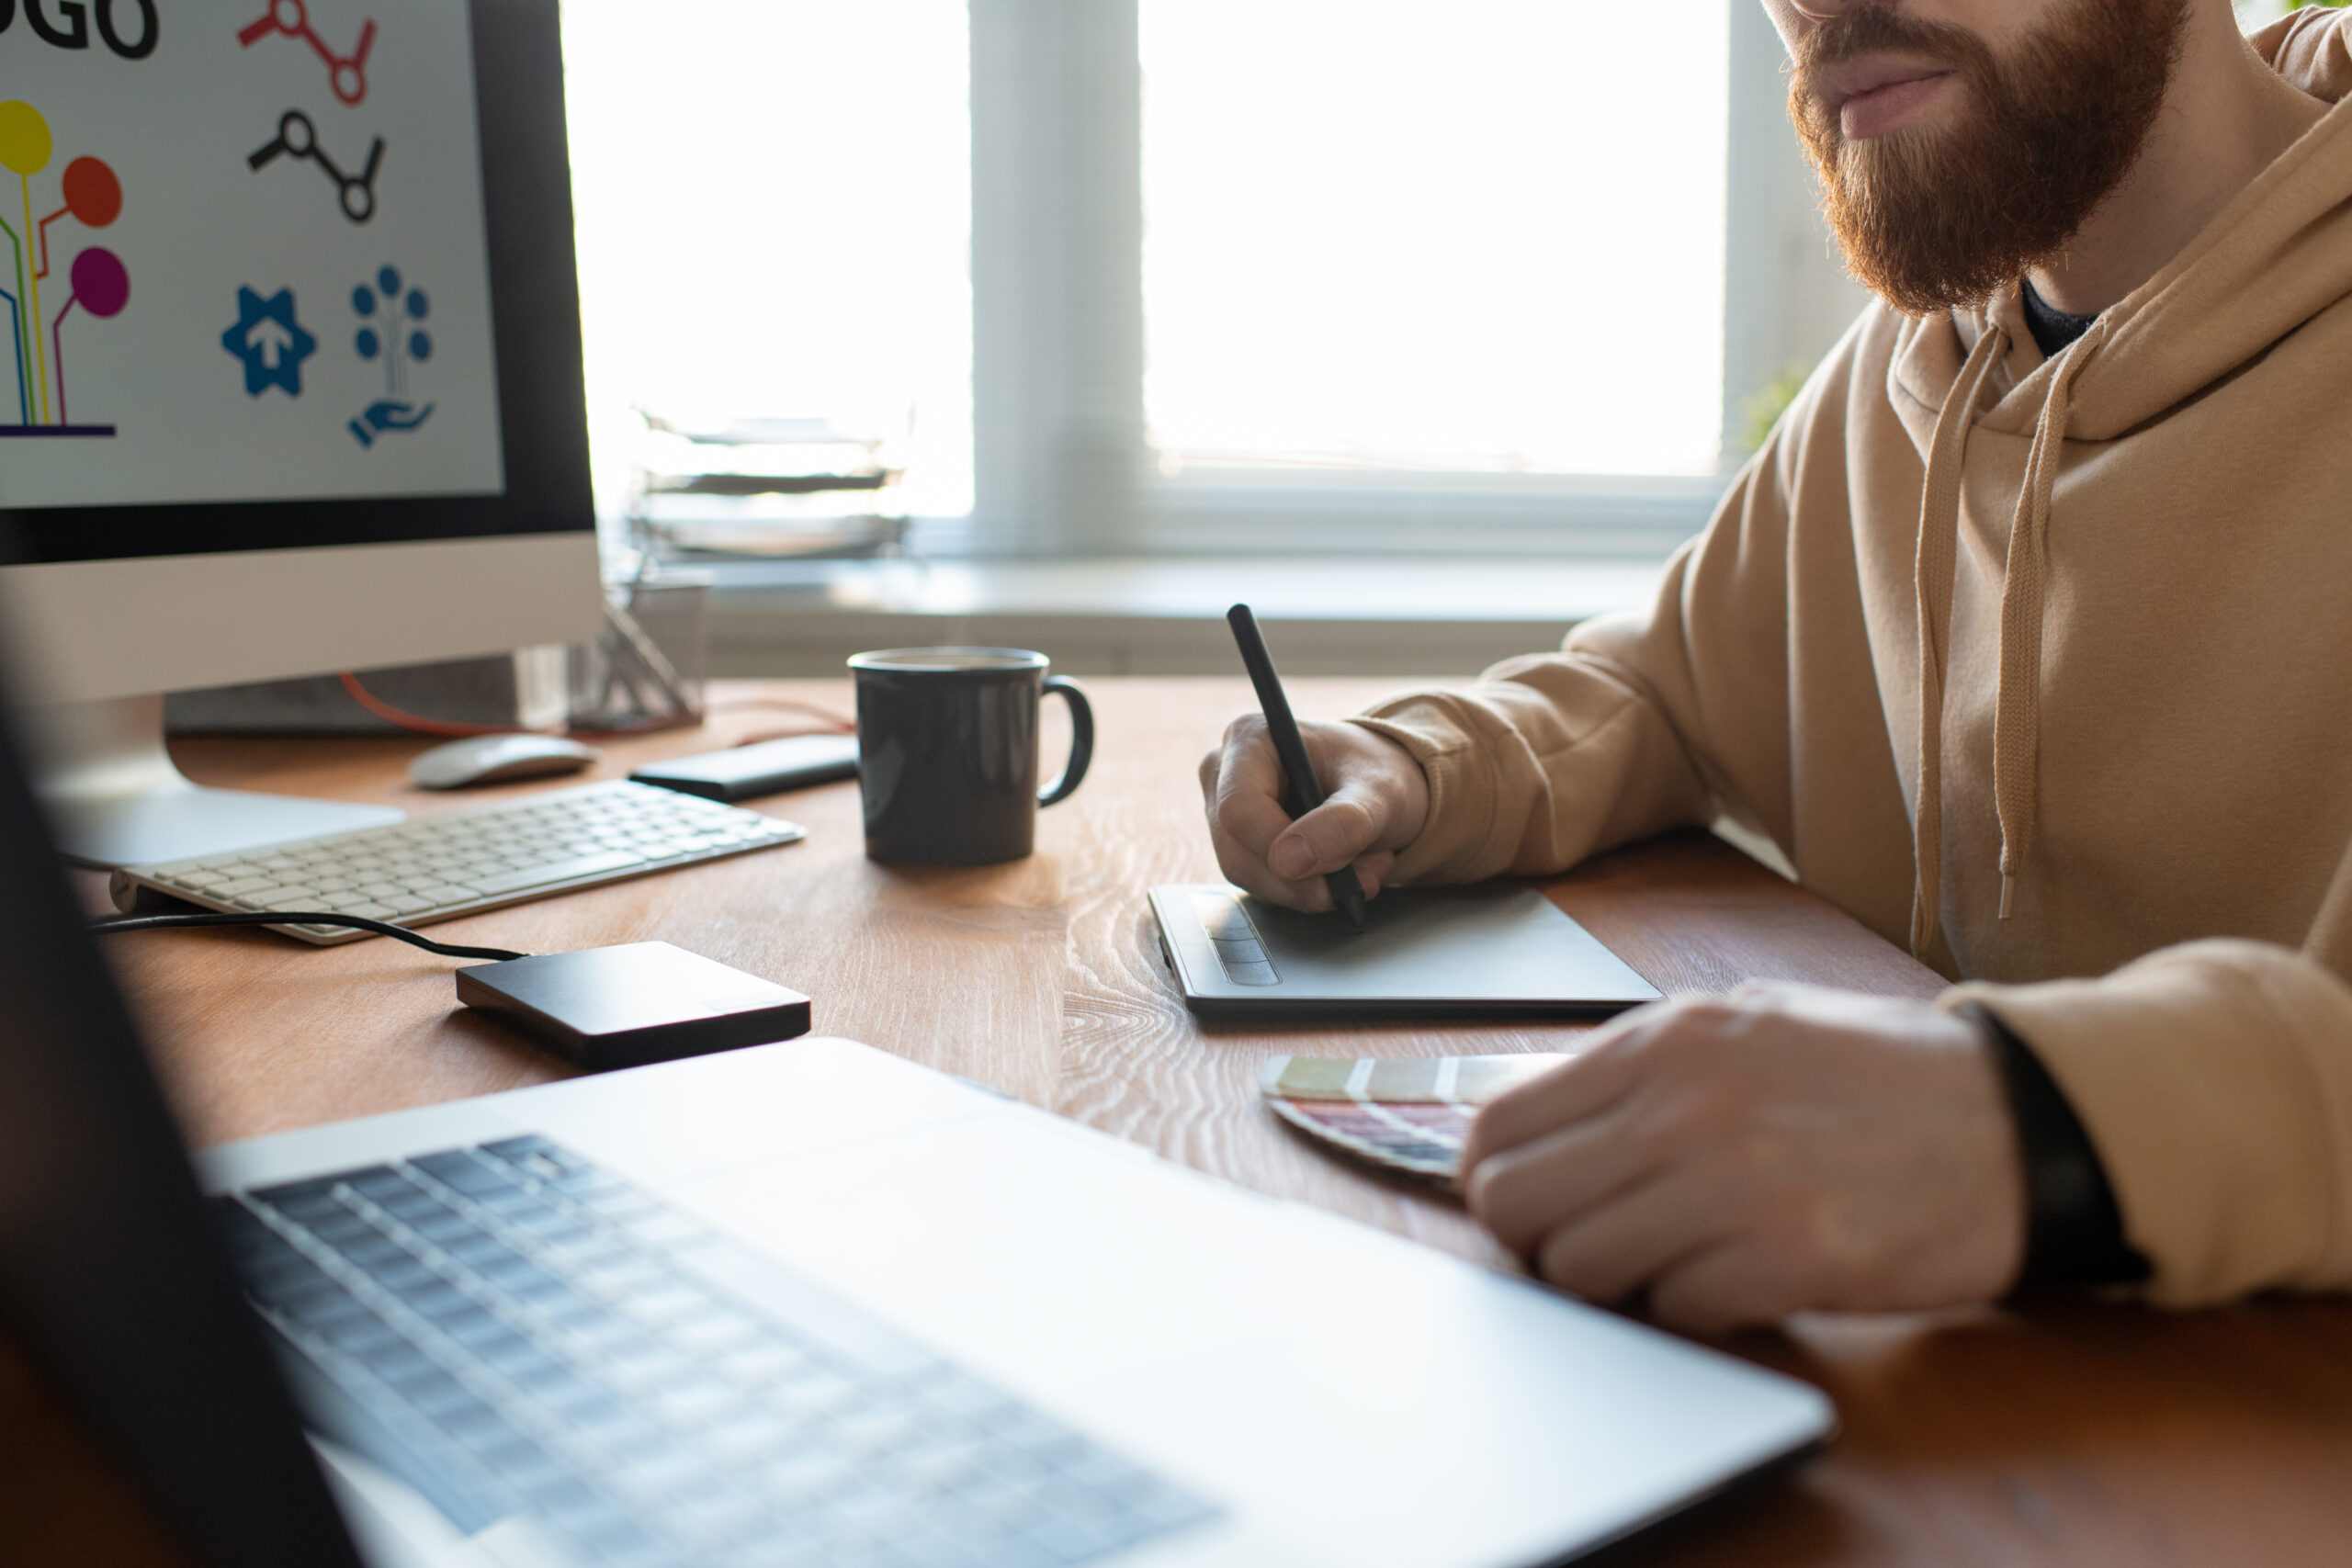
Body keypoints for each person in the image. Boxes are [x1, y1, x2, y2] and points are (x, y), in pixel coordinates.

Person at [1199, 0, 2352, 1333]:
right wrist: (1420, 763)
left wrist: (2020, 1122)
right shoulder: (1930, 358)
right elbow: (1674, 698)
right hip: (1967, 1415)